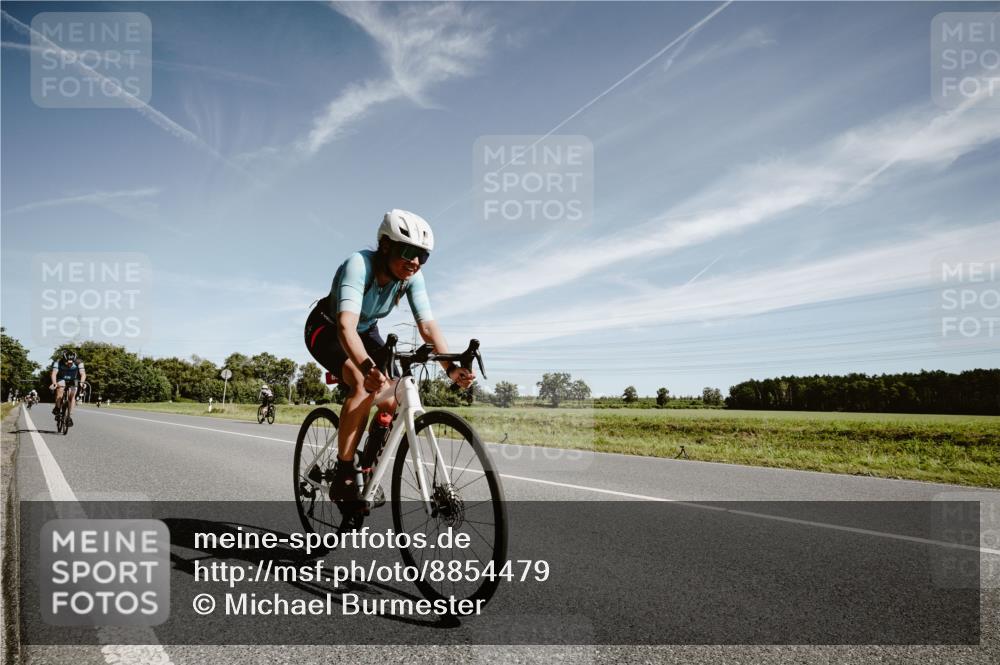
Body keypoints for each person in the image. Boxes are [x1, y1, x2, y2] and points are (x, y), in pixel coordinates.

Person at [304, 209, 475, 503]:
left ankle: (367, 467)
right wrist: (367, 367)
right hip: (328, 327)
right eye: (408, 252)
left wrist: (450, 366)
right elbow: (346, 326)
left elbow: (427, 326)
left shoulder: (411, 278)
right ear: (385, 245)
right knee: (362, 381)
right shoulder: (359, 265)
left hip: (367, 330)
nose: (415, 262)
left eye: (424, 256)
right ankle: (344, 475)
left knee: (394, 391)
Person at [49, 350, 86, 426]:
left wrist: (82, 383)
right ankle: (58, 408)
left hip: (73, 379)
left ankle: (69, 416)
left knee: (72, 395)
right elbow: (54, 374)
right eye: (67, 362)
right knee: (60, 389)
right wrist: (54, 383)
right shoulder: (58, 362)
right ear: (63, 359)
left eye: (71, 362)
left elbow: (83, 374)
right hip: (61, 377)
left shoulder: (79, 362)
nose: (69, 364)